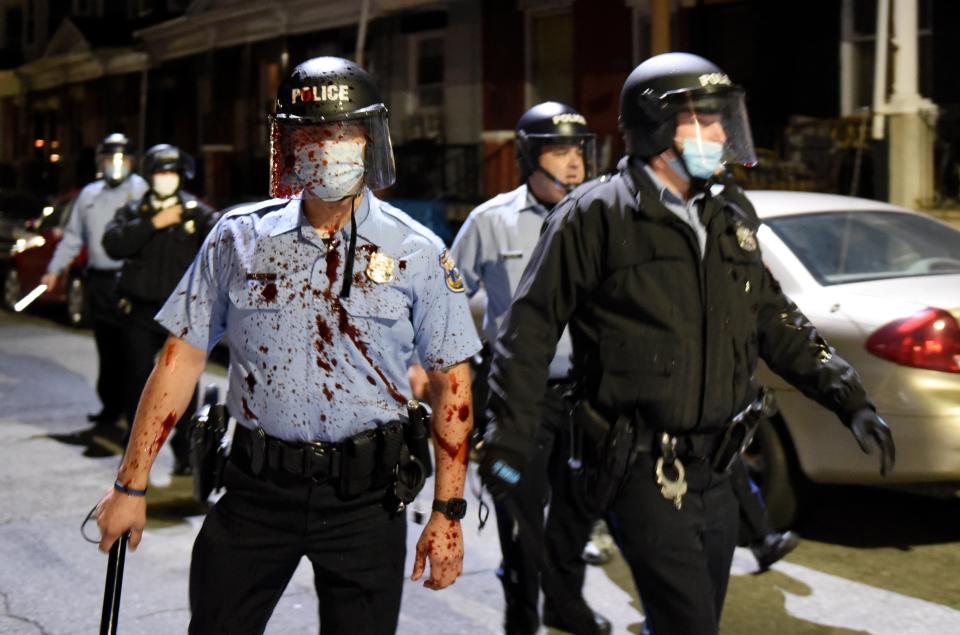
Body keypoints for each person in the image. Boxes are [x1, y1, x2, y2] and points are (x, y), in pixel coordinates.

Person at [477, 52, 896, 635]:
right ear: (655, 127)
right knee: (688, 624)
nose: (721, 134)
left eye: (724, 120)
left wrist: (848, 397)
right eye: (705, 120)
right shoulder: (594, 215)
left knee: (694, 618)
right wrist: (508, 439)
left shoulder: (729, 212)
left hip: (719, 470)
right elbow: (530, 331)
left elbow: (772, 317)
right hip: (642, 466)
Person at [95, 56, 481, 634]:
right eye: (313, 133)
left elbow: (453, 384)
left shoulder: (418, 251)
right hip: (256, 490)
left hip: (367, 501)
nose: (330, 148)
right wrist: (130, 484)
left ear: (370, 140)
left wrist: (448, 513)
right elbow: (179, 363)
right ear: (289, 144)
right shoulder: (237, 238)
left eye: (345, 132)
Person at [451, 102, 609, 635]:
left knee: (578, 511)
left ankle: (563, 604)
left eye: (579, 151)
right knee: (521, 519)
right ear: (529, 157)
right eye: (559, 151)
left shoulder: (600, 214)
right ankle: (522, 617)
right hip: (520, 396)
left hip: (590, 393)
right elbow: (447, 299)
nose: (573, 163)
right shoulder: (491, 222)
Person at [102, 144, 219, 474]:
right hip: (139, 311)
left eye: (172, 172)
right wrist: (154, 222)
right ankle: (136, 450)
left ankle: (185, 453)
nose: (166, 178)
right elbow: (113, 244)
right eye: (160, 172)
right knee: (138, 379)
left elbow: (221, 241)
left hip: (182, 315)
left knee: (185, 386)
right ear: (150, 175)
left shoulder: (196, 213)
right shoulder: (135, 210)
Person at [41, 133, 149, 428]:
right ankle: (109, 408)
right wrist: (55, 269)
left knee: (134, 352)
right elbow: (73, 238)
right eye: (109, 159)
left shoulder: (142, 190)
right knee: (108, 349)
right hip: (100, 282)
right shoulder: (89, 195)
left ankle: (133, 414)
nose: (116, 165)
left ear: (131, 161)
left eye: (122, 159)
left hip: (131, 282)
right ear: (100, 162)